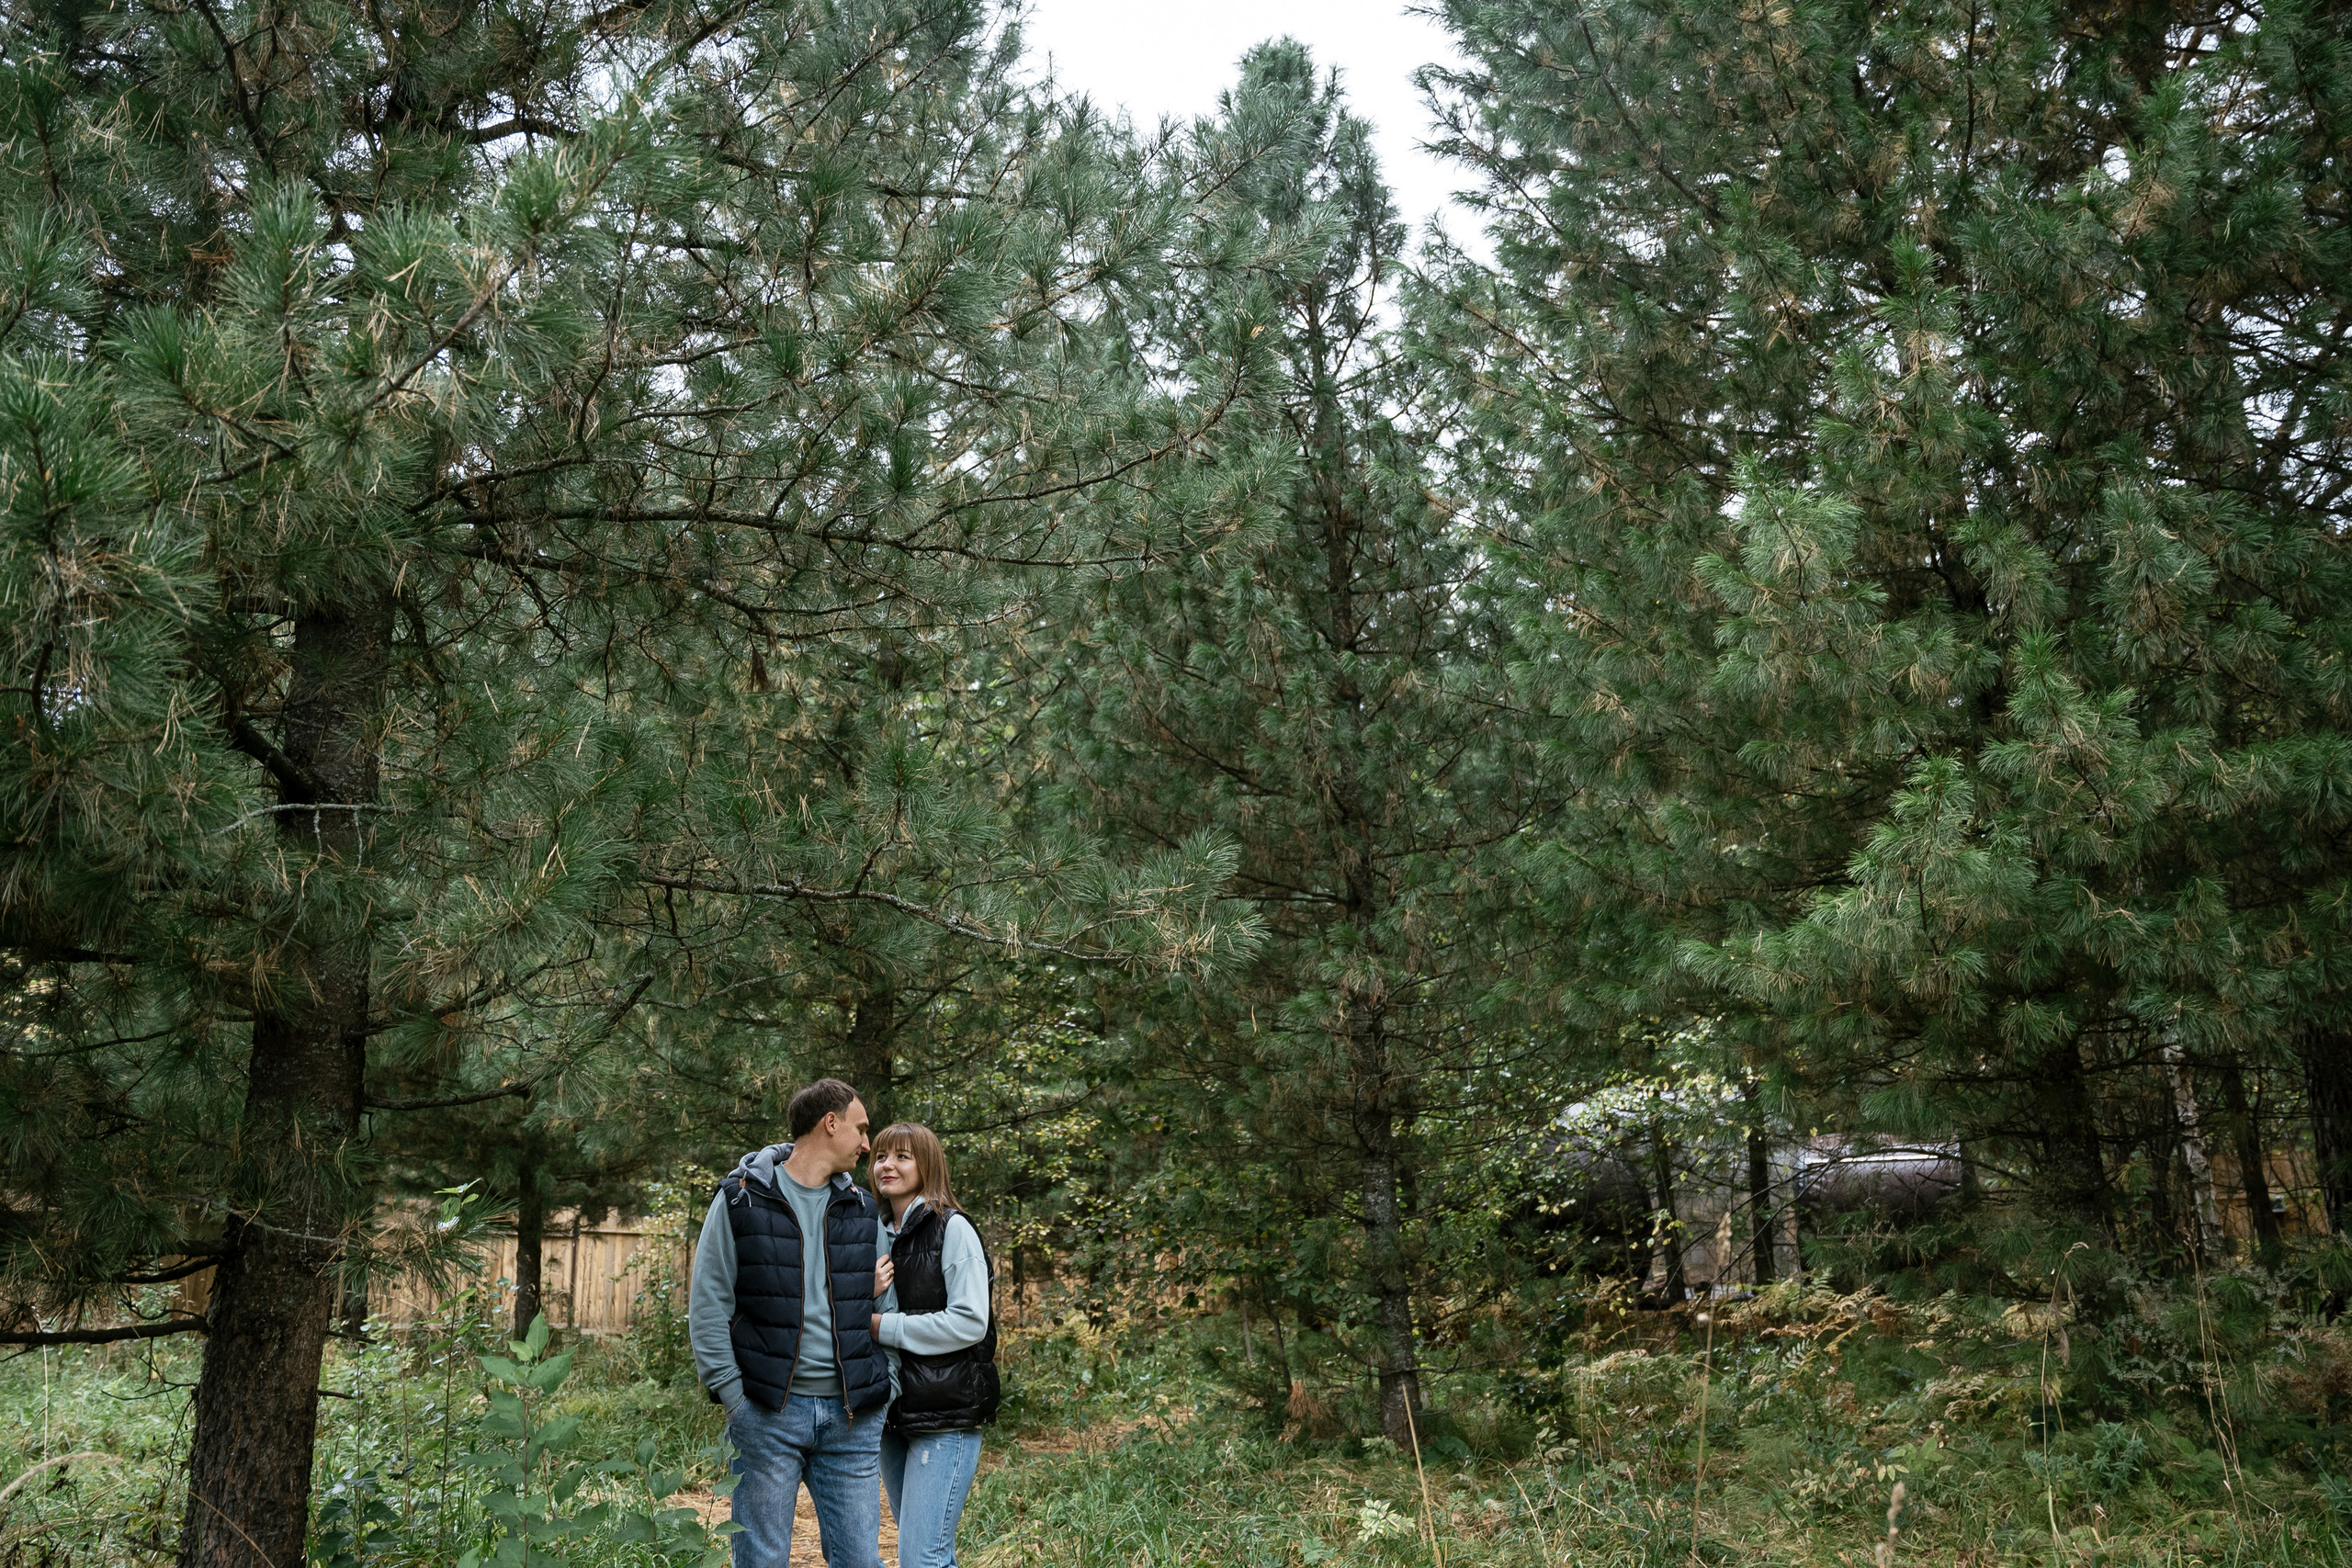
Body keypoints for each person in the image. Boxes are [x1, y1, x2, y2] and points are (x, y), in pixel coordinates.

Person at [689, 1078, 899, 1568]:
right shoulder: (742, 1199)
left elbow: (886, 1305)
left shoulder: (862, 1209)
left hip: (852, 1421)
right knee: (761, 1561)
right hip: (767, 1415)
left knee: (861, 1563)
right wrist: (732, 1395)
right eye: (861, 1130)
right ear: (831, 1123)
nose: (868, 1145)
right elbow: (709, 1300)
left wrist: (886, 1385)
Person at [867, 1122, 998, 1568]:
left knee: (923, 1556)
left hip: (946, 1414)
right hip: (890, 1414)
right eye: (882, 1155)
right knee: (923, 1552)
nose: (888, 1165)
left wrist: (883, 1325)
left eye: (903, 1156)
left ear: (928, 1165)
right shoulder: (874, 1231)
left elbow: (970, 1321)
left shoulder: (952, 1228)